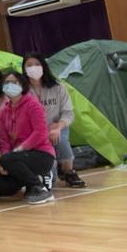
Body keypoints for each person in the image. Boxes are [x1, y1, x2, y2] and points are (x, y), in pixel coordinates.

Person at [23, 52, 86, 188]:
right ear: (24, 69)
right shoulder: (22, 91)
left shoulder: (58, 87)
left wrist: (58, 127)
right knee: (50, 180)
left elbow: (68, 113)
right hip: (35, 132)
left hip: (57, 127)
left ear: (43, 66)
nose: (33, 68)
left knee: (61, 140)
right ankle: (52, 170)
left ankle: (69, 172)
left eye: (37, 64)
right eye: (29, 65)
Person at [0, 70, 56, 204]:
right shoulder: (4, 112)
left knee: (7, 159)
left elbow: (40, 133)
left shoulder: (33, 105)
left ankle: (40, 188)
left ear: (22, 84)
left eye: (14, 82)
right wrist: (5, 160)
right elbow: (4, 140)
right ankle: (33, 181)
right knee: (2, 187)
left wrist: (20, 149)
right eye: (7, 83)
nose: (10, 85)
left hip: (41, 153)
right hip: (18, 157)